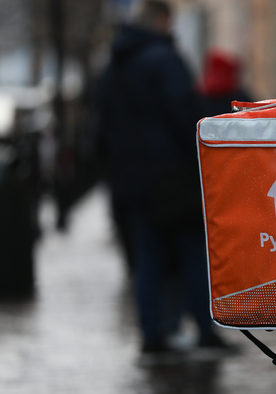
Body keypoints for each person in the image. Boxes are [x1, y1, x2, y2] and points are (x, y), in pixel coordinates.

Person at [99, 0, 231, 365]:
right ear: (161, 20)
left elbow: (104, 124)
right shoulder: (163, 58)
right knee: (193, 253)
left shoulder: (114, 64)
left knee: (149, 257)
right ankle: (205, 330)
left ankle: (152, 335)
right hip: (172, 176)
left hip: (133, 179)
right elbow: (184, 114)